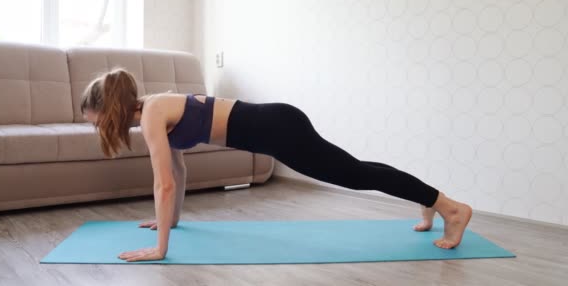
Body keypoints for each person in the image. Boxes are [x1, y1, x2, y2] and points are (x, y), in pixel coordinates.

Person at [80, 67, 472, 262]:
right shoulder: (154, 108)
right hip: (275, 123)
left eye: (91, 116)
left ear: (108, 110)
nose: (91, 123)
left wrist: (159, 247)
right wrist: (172, 222)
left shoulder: (151, 115)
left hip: (277, 128)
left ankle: (452, 208)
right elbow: (178, 174)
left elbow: (162, 184)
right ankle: (429, 199)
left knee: (354, 175)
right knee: (357, 167)